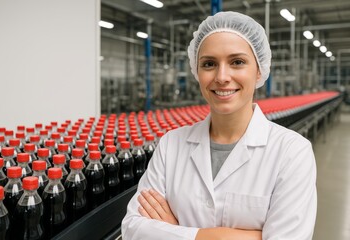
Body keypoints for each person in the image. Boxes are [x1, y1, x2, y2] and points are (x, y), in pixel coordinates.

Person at [121, 11, 317, 240]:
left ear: (260, 70)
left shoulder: (292, 152)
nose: (222, 76)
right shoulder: (170, 145)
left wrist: (175, 231)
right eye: (209, 64)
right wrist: (231, 236)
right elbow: (133, 229)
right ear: (197, 72)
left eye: (237, 62)